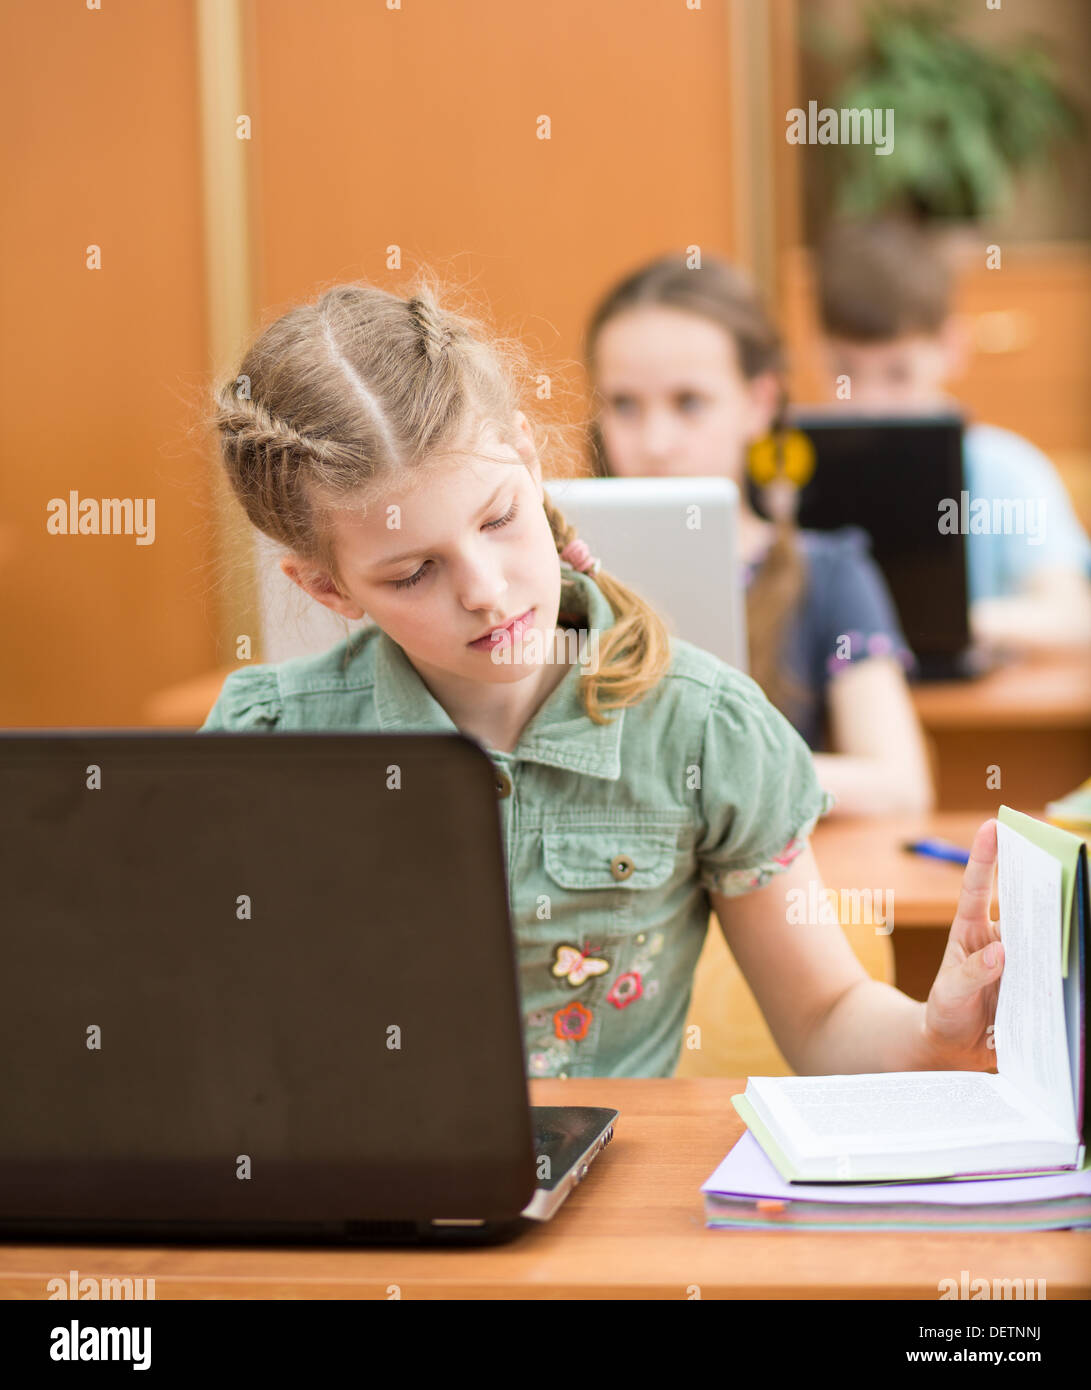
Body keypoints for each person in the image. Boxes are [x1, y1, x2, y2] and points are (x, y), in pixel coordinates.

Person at [198, 275, 1002, 1080]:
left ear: (526, 456)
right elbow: (210, 1028)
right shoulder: (267, 740)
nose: (485, 590)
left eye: (498, 520)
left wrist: (933, 1035)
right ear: (327, 589)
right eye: (412, 573)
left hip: (611, 1201)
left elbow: (826, 1018)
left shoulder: (703, 727)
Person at [585, 254, 934, 817]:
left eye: (689, 402)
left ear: (759, 403)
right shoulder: (555, 579)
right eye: (623, 404)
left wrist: (713, 767)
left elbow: (900, 785)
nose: (655, 441)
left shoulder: (829, 570)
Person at [815, 217, 1091, 651]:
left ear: (951, 349)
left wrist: (944, 621)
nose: (869, 402)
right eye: (844, 372)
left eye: (898, 373)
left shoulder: (1007, 470)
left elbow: (1074, 614)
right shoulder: (799, 471)